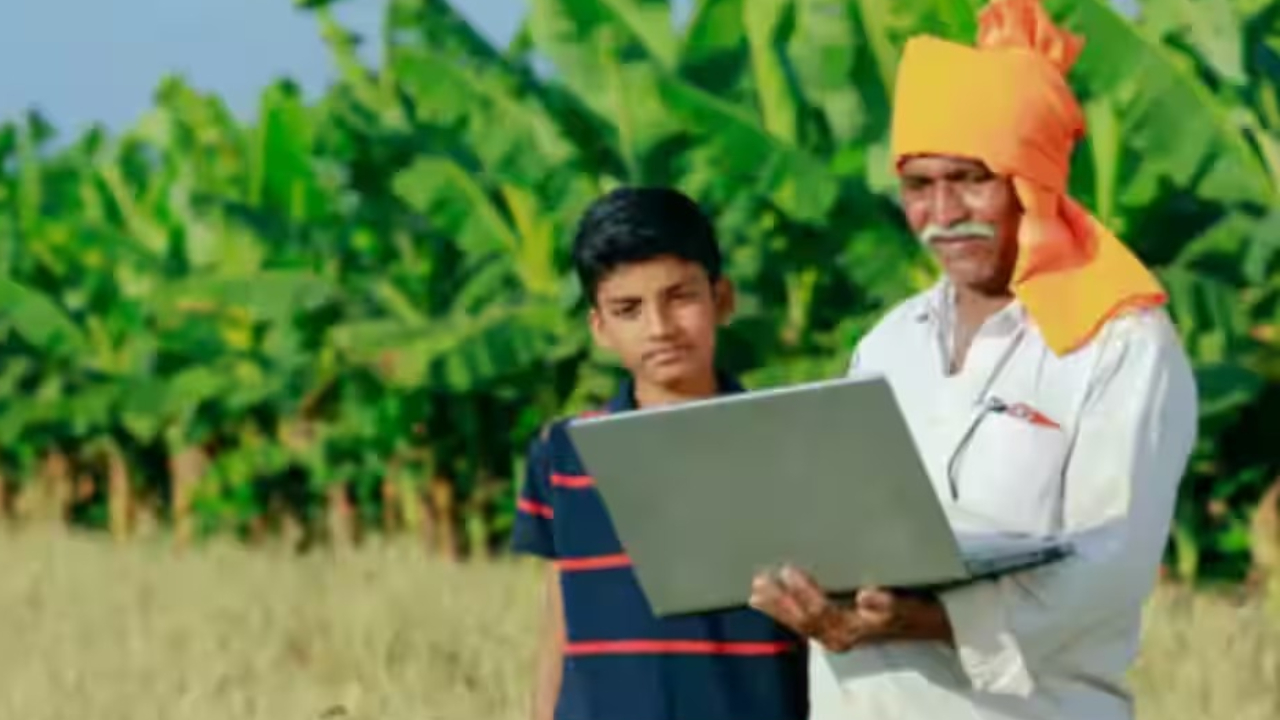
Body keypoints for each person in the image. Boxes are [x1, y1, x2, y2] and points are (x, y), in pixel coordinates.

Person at [747, 1, 1199, 719]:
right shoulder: (889, 341)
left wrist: (924, 621)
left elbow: (1108, 567)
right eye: (918, 185)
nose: (944, 212)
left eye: (970, 178)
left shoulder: (1120, 344)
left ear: (1032, 181)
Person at [511, 187, 809, 720]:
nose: (660, 328)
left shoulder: (790, 442)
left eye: (680, 297)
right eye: (628, 309)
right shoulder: (563, 453)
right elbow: (559, 620)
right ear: (600, 327)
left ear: (722, 299)